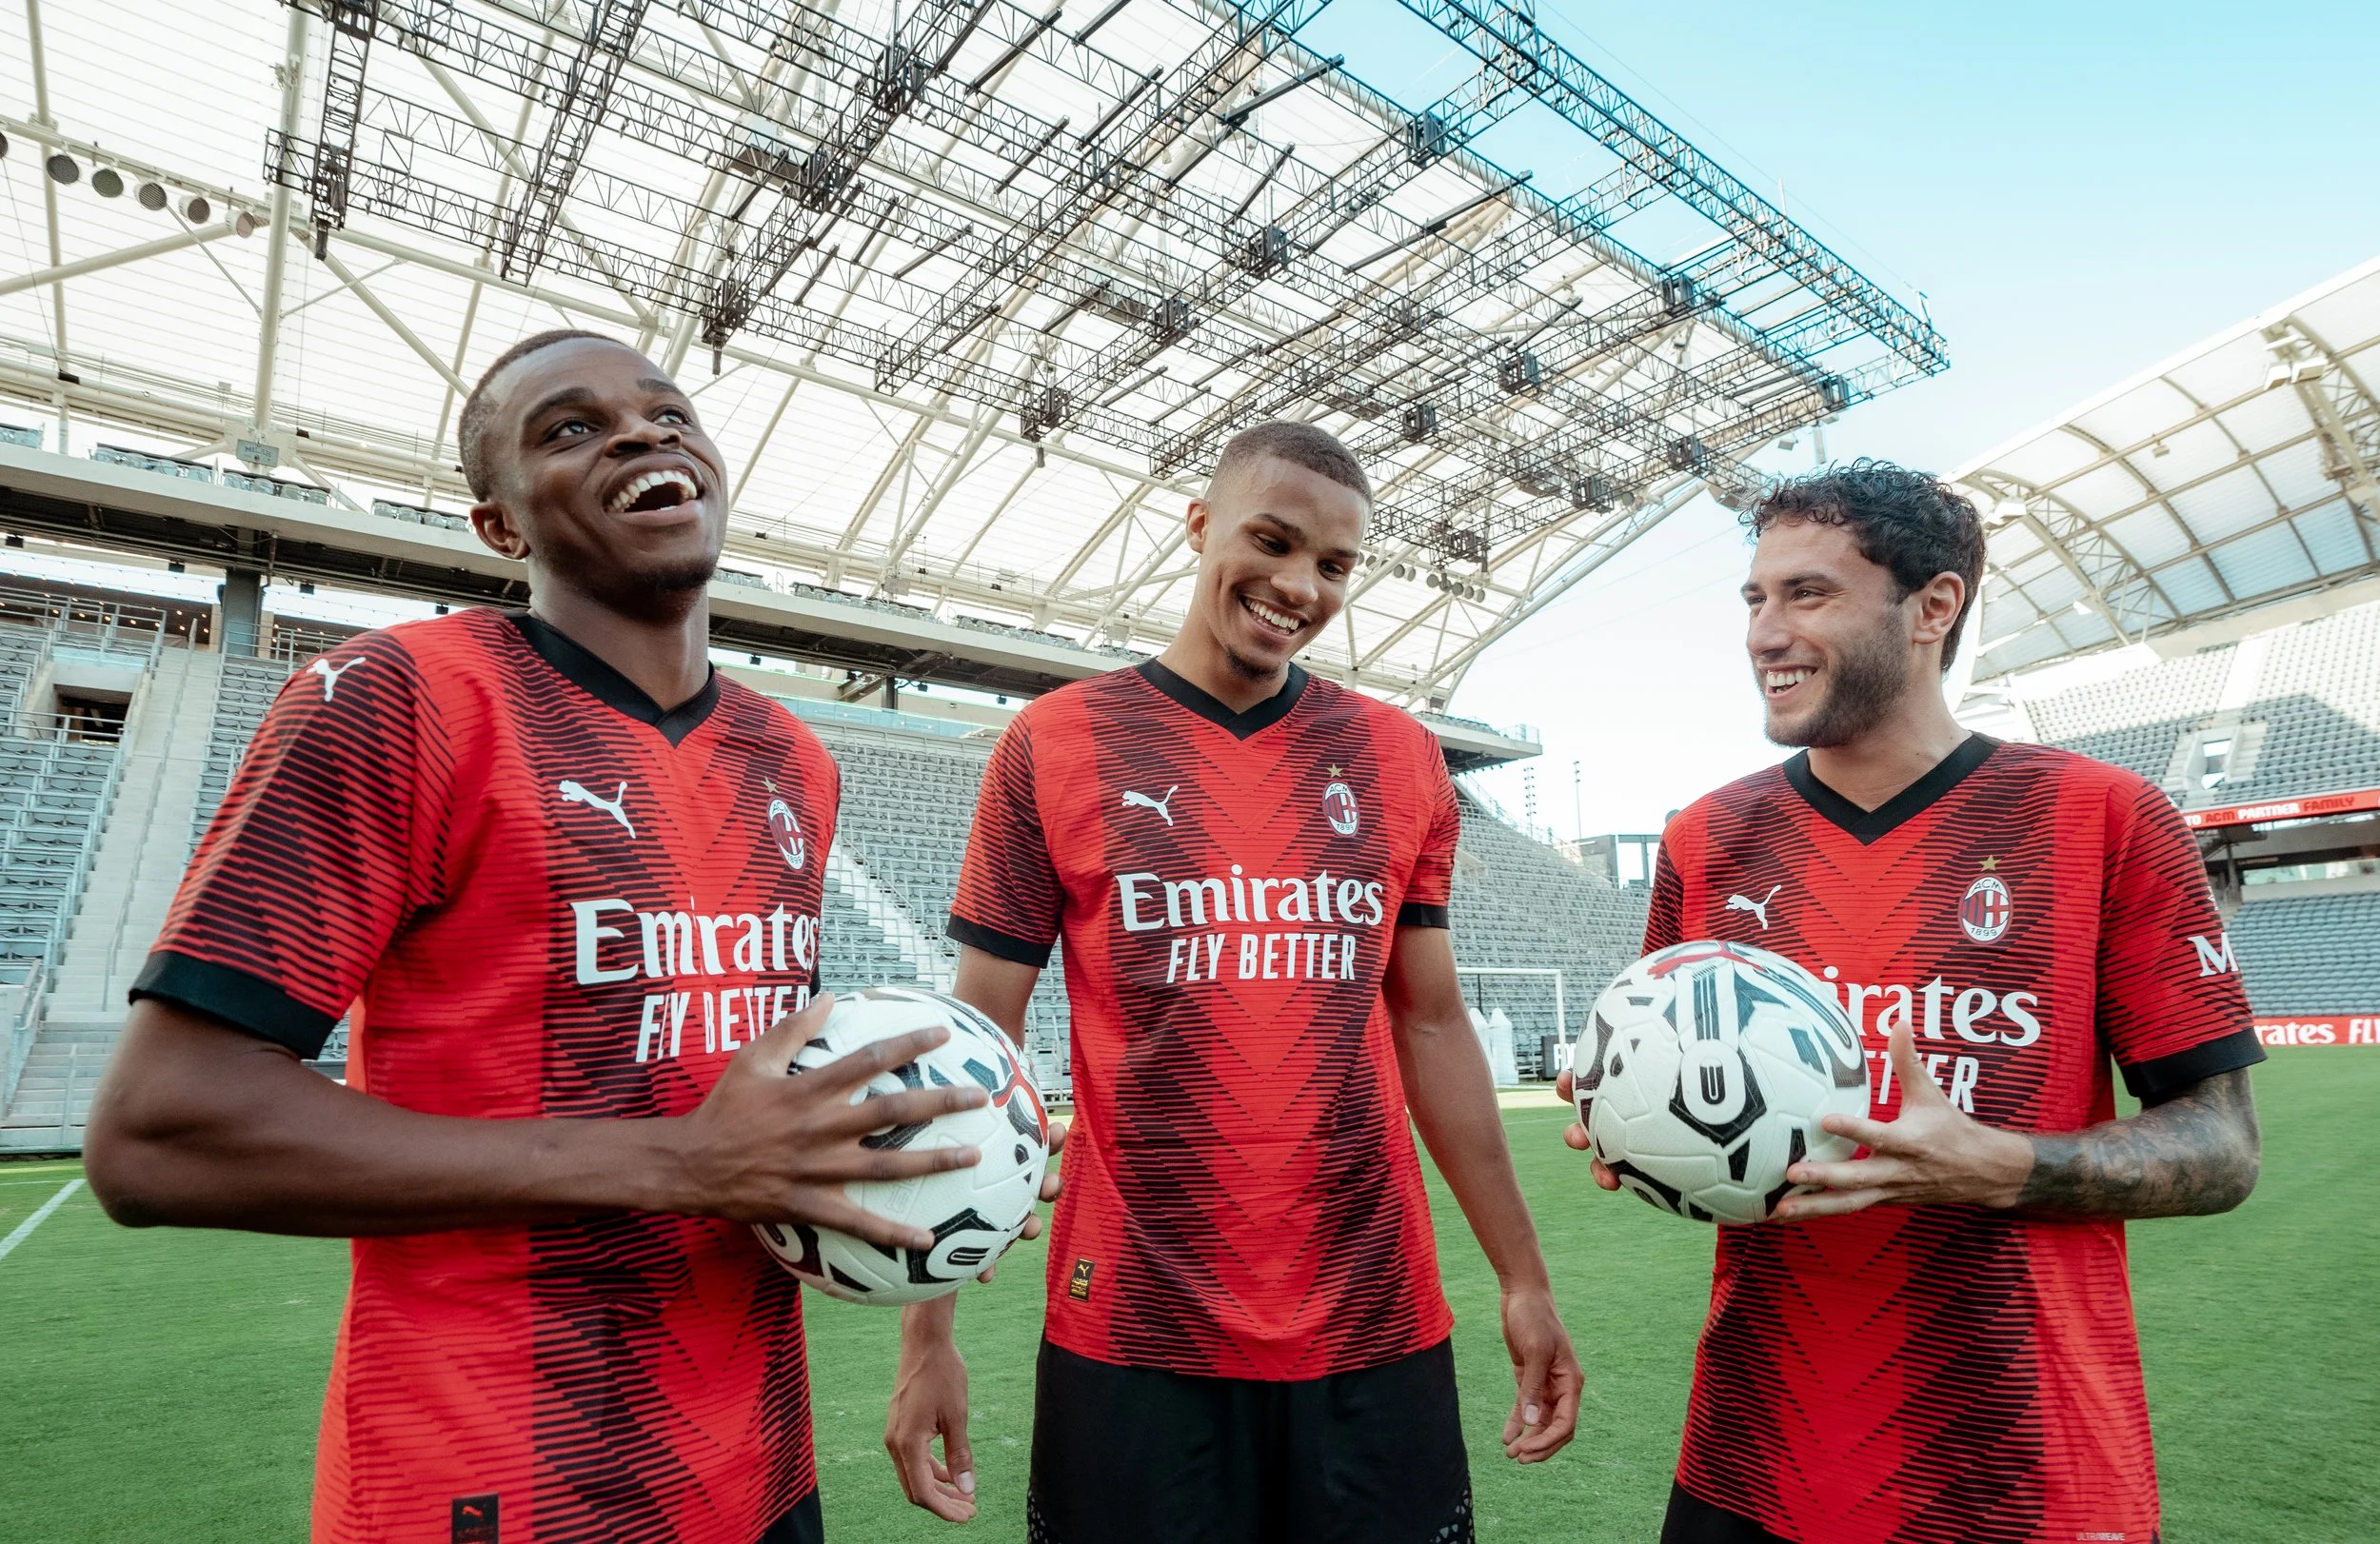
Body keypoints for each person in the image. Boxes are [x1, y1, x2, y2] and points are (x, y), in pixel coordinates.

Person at [82, 329, 1003, 1544]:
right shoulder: (394, 700)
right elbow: (157, 1134)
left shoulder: (794, 760)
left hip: (761, 1470)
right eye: (567, 428)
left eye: (667, 412)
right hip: (492, 1482)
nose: (639, 432)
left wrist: (919, 1188)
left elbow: (751, 1100)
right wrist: (681, 1164)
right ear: (500, 527)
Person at [884, 421, 1583, 1543]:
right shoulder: (1054, 743)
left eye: (1336, 565)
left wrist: (1523, 1276)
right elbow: (977, 1048)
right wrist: (930, 1339)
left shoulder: (1398, 756)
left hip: (1376, 1320)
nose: (1299, 585)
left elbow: (1434, 1021)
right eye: (1271, 539)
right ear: (1201, 522)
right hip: (1130, 1327)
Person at [1560, 460, 2263, 1544]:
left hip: (2023, 1477)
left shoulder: (2100, 817)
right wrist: (1626, 1116)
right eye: (1754, 597)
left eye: (1809, 594)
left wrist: (2003, 1165)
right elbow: (1679, 1087)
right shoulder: (1706, 837)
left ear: (1932, 606)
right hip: (1751, 1460)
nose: (1763, 632)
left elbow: (2223, 1148)